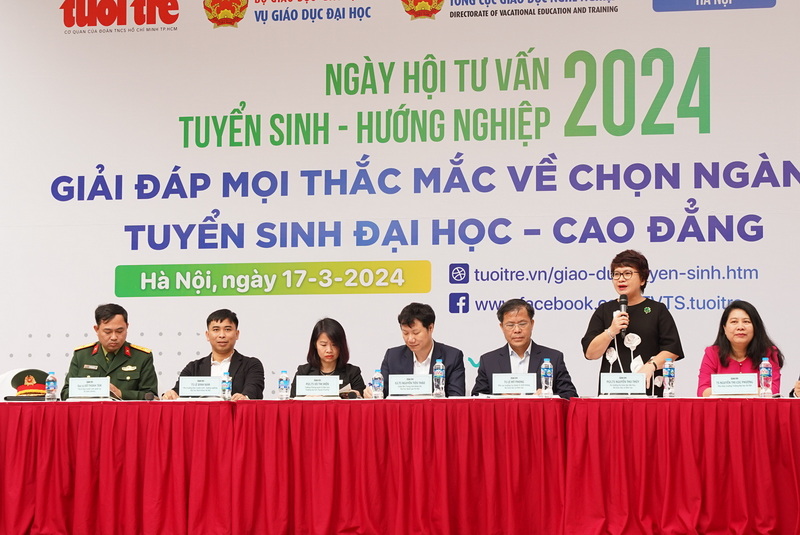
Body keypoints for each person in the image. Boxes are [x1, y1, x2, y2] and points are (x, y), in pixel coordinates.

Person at [582, 249, 684, 396]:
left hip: (648, 390)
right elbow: (590, 353)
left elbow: (672, 350)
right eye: (616, 274)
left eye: (627, 273)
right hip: (612, 393)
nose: (621, 279)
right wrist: (611, 331)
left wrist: (651, 365)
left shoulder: (657, 310)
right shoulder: (604, 310)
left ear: (642, 279)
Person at [472, 299, 578, 398]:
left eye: (522, 324)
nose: (517, 330)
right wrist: (499, 398)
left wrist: (547, 396)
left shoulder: (553, 358)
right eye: (510, 325)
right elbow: (476, 398)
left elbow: (570, 395)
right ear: (502, 327)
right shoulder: (489, 361)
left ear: (532, 324)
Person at [61, 303, 158, 400]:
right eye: (107, 332)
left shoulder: (142, 357)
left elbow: (151, 396)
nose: (114, 337)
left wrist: (121, 394)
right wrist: (94, 391)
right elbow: (65, 393)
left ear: (127, 327)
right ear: (96, 329)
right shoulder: (82, 355)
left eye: (119, 331)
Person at [162, 309, 264, 400]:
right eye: (216, 330)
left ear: (237, 334)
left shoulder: (251, 365)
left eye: (227, 329)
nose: (222, 335)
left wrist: (244, 398)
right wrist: (171, 394)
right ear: (207, 335)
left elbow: (253, 390)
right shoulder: (193, 368)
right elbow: (177, 391)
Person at [371, 302, 466, 397]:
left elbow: (456, 399)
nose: (410, 339)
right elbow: (382, 392)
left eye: (416, 333)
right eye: (405, 333)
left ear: (430, 328)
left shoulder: (452, 357)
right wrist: (372, 392)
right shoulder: (393, 357)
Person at [697, 300, 784, 397]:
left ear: (755, 327)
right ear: (724, 328)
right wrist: (750, 390)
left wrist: (725, 390)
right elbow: (703, 391)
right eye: (734, 322)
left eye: (746, 322)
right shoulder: (713, 353)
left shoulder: (768, 353)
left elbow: (773, 391)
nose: (740, 327)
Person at [291, 318, 366, 397]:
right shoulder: (303, 373)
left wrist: (358, 396)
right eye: (323, 345)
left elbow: (363, 402)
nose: (329, 350)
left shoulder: (353, 373)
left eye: (334, 345)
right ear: (315, 344)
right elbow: (291, 402)